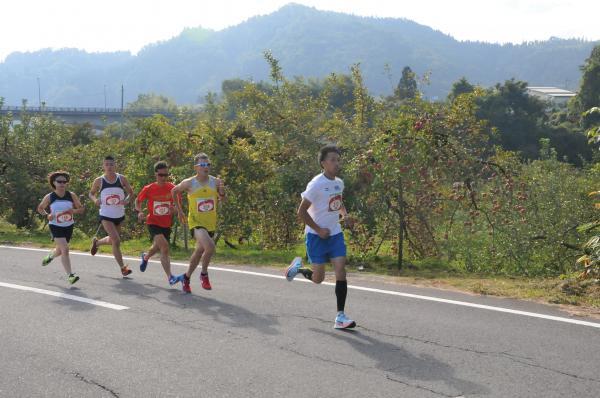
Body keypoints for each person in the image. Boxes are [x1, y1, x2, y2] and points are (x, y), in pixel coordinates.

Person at [285, 145, 356, 329]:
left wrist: (345, 215)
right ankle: (299, 269)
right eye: (332, 160)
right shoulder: (316, 184)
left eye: (338, 159)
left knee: (341, 270)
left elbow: (338, 203)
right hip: (316, 236)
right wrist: (318, 229)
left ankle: (340, 316)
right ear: (323, 163)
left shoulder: (339, 183)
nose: (336, 163)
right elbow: (301, 211)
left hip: (335, 234)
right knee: (318, 279)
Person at [172, 153, 225, 294]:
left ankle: (186, 277)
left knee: (200, 251)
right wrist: (179, 211)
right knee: (210, 247)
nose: (206, 167)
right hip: (195, 222)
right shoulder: (189, 183)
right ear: (196, 167)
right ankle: (204, 274)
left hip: (210, 222)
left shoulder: (215, 181)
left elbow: (222, 199)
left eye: (208, 164)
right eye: (202, 165)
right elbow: (174, 191)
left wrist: (222, 190)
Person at [135, 161, 182, 286]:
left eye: (166, 175)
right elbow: (138, 201)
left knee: (157, 247)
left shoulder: (172, 188)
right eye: (161, 175)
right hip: (153, 222)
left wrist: (175, 210)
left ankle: (145, 257)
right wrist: (139, 212)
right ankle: (170, 277)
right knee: (165, 247)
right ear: (156, 174)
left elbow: (178, 207)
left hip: (166, 224)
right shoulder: (149, 188)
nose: (163, 178)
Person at [88, 155, 134, 277]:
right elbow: (91, 194)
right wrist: (95, 200)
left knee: (113, 239)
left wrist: (128, 200)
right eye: (106, 164)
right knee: (116, 240)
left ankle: (97, 243)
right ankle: (123, 268)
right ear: (103, 166)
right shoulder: (99, 180)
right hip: (106, 215)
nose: (109, 167)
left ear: (115, 166)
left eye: (111, 164)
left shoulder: (122, 179)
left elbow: (131, 192)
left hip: (119, 214)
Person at [37, 171, 85, 285]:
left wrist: (73, 211)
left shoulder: (71, 195)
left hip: (68, 225)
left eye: (64, 181)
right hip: (55, 225)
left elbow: (81, 209)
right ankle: (71, 276)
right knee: (65, 249)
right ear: (54, 183)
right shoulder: (50, 196)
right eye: (59, 181)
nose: (62, 183)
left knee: (60, 250)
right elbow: (40, 208)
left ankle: (50, 256)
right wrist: (47, 215)